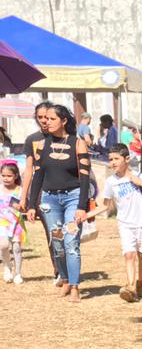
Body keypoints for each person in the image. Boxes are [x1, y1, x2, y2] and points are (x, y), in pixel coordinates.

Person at [26, 103, 92, 302]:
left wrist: (82, 206)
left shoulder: (77, 142)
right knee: (57, 242)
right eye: (45, 119)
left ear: (64, 121)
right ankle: (63, 278)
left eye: (52, 119)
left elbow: (85, 177)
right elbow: (38, 176)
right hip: (49, 200)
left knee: (71, 242)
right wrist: (31, 204)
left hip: (73, 197)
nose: (47, 122)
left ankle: (74, 285)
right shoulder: (42, 144)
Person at [101, 144, 142, 302]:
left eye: (116, 159)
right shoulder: (110, 182)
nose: (113, 162)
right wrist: (85, 214)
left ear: (126, 159)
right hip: (124, 223)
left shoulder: (138, 175)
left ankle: (141, 283)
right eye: (110, 159)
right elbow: (105, 204)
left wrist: (139, 182)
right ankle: (130, 287)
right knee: (129, 255)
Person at [21, 102, 62, 285]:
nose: (44, 120)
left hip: (64, 188)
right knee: (51, 232)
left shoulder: (64, 137)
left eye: (48, 116)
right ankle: (59, 270)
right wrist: (25, 198)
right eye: (40, 117)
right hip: (41, 190)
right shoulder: (32, 140)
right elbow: (29, 169)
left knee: (66, 231)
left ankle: (69, 267)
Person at [0, 161, 25, 284]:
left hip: (17, 223)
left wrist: (21, 207)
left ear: (16, 176)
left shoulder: (21, 190)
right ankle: (7, 266)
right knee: (3, 246)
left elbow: (25, 206)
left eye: (9, 176)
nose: (6, 178)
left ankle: (18, 273)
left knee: (17, 248)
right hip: (2, 223)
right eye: (3, 175)